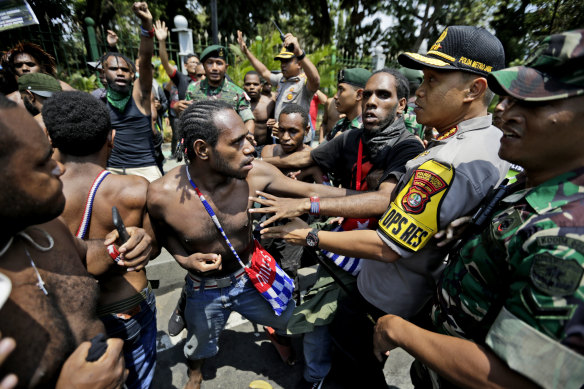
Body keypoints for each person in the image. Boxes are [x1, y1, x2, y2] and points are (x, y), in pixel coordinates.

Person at [260, 26, 510, 387]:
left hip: (383, 292)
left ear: (474, 89)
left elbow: (386, 246)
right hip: (414, 286)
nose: (420, 90)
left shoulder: (450, 159)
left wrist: (307, 236)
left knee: (353, 367)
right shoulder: (489, 142)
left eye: (433, 80)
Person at [373, 28, 584, 389]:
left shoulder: (567, 236)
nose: (504, 110)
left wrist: (398, 330)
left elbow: (515, 379)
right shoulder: (529, 186)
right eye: (511, 98)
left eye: (535, 102)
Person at [147, 100, 362, 389]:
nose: (250, 149)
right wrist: (184, 260)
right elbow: (159, 238)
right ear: (202, 150)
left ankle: (314, 377)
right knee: (200, 344)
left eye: (248, 138)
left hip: (252, 277)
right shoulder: (161, 195)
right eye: (237, 143)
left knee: (310, 321)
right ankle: (195, 373)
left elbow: (314, 190)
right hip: (203, 289)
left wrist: (377, 199)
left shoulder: (256, 174)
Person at [0, 93, 132, 388]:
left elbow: (84, 256)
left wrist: (122, 246)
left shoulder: (47, 226)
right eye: (41, 163)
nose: (58, 168)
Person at [43, 90, 159, 389]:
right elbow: (152, 250)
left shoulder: (40, 196)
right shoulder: (135, 188)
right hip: (128, 304)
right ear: (112, 137)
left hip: (73, 317)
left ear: (50, 139)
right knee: (138, 378)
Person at [104, 3, 159, 182]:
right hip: (112, 168)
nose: (120, 72)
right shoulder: (99, 100)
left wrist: (146, 26)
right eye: (114, 69)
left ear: (132, 74)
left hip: (145, 168)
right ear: (103, 74)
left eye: (125, 70)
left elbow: (144, 59)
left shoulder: (140, 94)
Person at [237, 30, 320, 138]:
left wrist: (299, 53)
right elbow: (264, 72)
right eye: (281, 61)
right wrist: (247, 52)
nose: (282, 65)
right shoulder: (282, 79)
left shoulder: (304, 83)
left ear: (299, 64)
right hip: (279, 135)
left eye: (287, 61)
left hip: (297, 138)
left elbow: (315, 80)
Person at [154, 20, 201, 154]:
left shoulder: (206, 80)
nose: (194, 64)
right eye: (191, 62)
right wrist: (162, 42)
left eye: (196, 62)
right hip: (184, 121)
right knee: (183, 147)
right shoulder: (181, 78)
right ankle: (178, 156)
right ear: (185, 65)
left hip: (201, 122)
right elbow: (165, 62)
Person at [185, 45, 255, 135]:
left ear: (226, 67)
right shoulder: (192, 89)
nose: (214, 68)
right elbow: (186, 118)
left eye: (219, 63)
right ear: (204, 66)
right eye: (210, 63)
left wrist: (248, 136)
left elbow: (249, 120)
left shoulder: (238, 93)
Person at [0, 41, 73, 106]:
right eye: (18, 65)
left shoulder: (60, 86)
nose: (24, 68)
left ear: (42, 67)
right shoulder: (10, 101)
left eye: (30, 64)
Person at [325, 68, 370, 142]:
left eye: (341, 90)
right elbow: (321, 151)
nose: (335, 96)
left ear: (359, 95)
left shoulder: (367, 130)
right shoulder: (341, 124)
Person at [243, 70, 275, 148]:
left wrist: (275, 122)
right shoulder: (238, 104)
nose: (251, 87)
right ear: (243, 86)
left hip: (265, 146)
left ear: (261, 86)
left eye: (255, 84)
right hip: (245, 146)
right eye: (248, 84)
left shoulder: (269, 103)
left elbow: (277, 121)